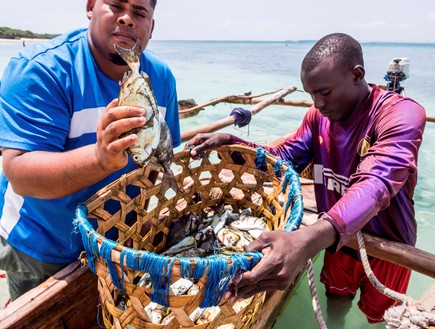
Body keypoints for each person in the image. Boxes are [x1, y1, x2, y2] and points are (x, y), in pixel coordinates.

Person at [186, 33, 426, 324]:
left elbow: (376, 184)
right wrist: (234, 147)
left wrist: (306, 240)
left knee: (380, 316)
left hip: (389, 248)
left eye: (324, 92)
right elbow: (283, 157)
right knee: (336, 299)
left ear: (357, 75)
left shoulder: (399, 113)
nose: (318, 103)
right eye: (311, 95)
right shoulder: (317, 117)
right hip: (339, 241)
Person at [0, 0, 181, 301]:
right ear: (90, 7)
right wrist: (100, 159)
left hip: (121, 239)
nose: (126, 19)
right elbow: (21, 175)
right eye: (115, 6)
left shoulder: (161, 78)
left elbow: (164, 155)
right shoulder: (40, 70)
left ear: (152, 25)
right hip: (43, 245)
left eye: (139, 13)